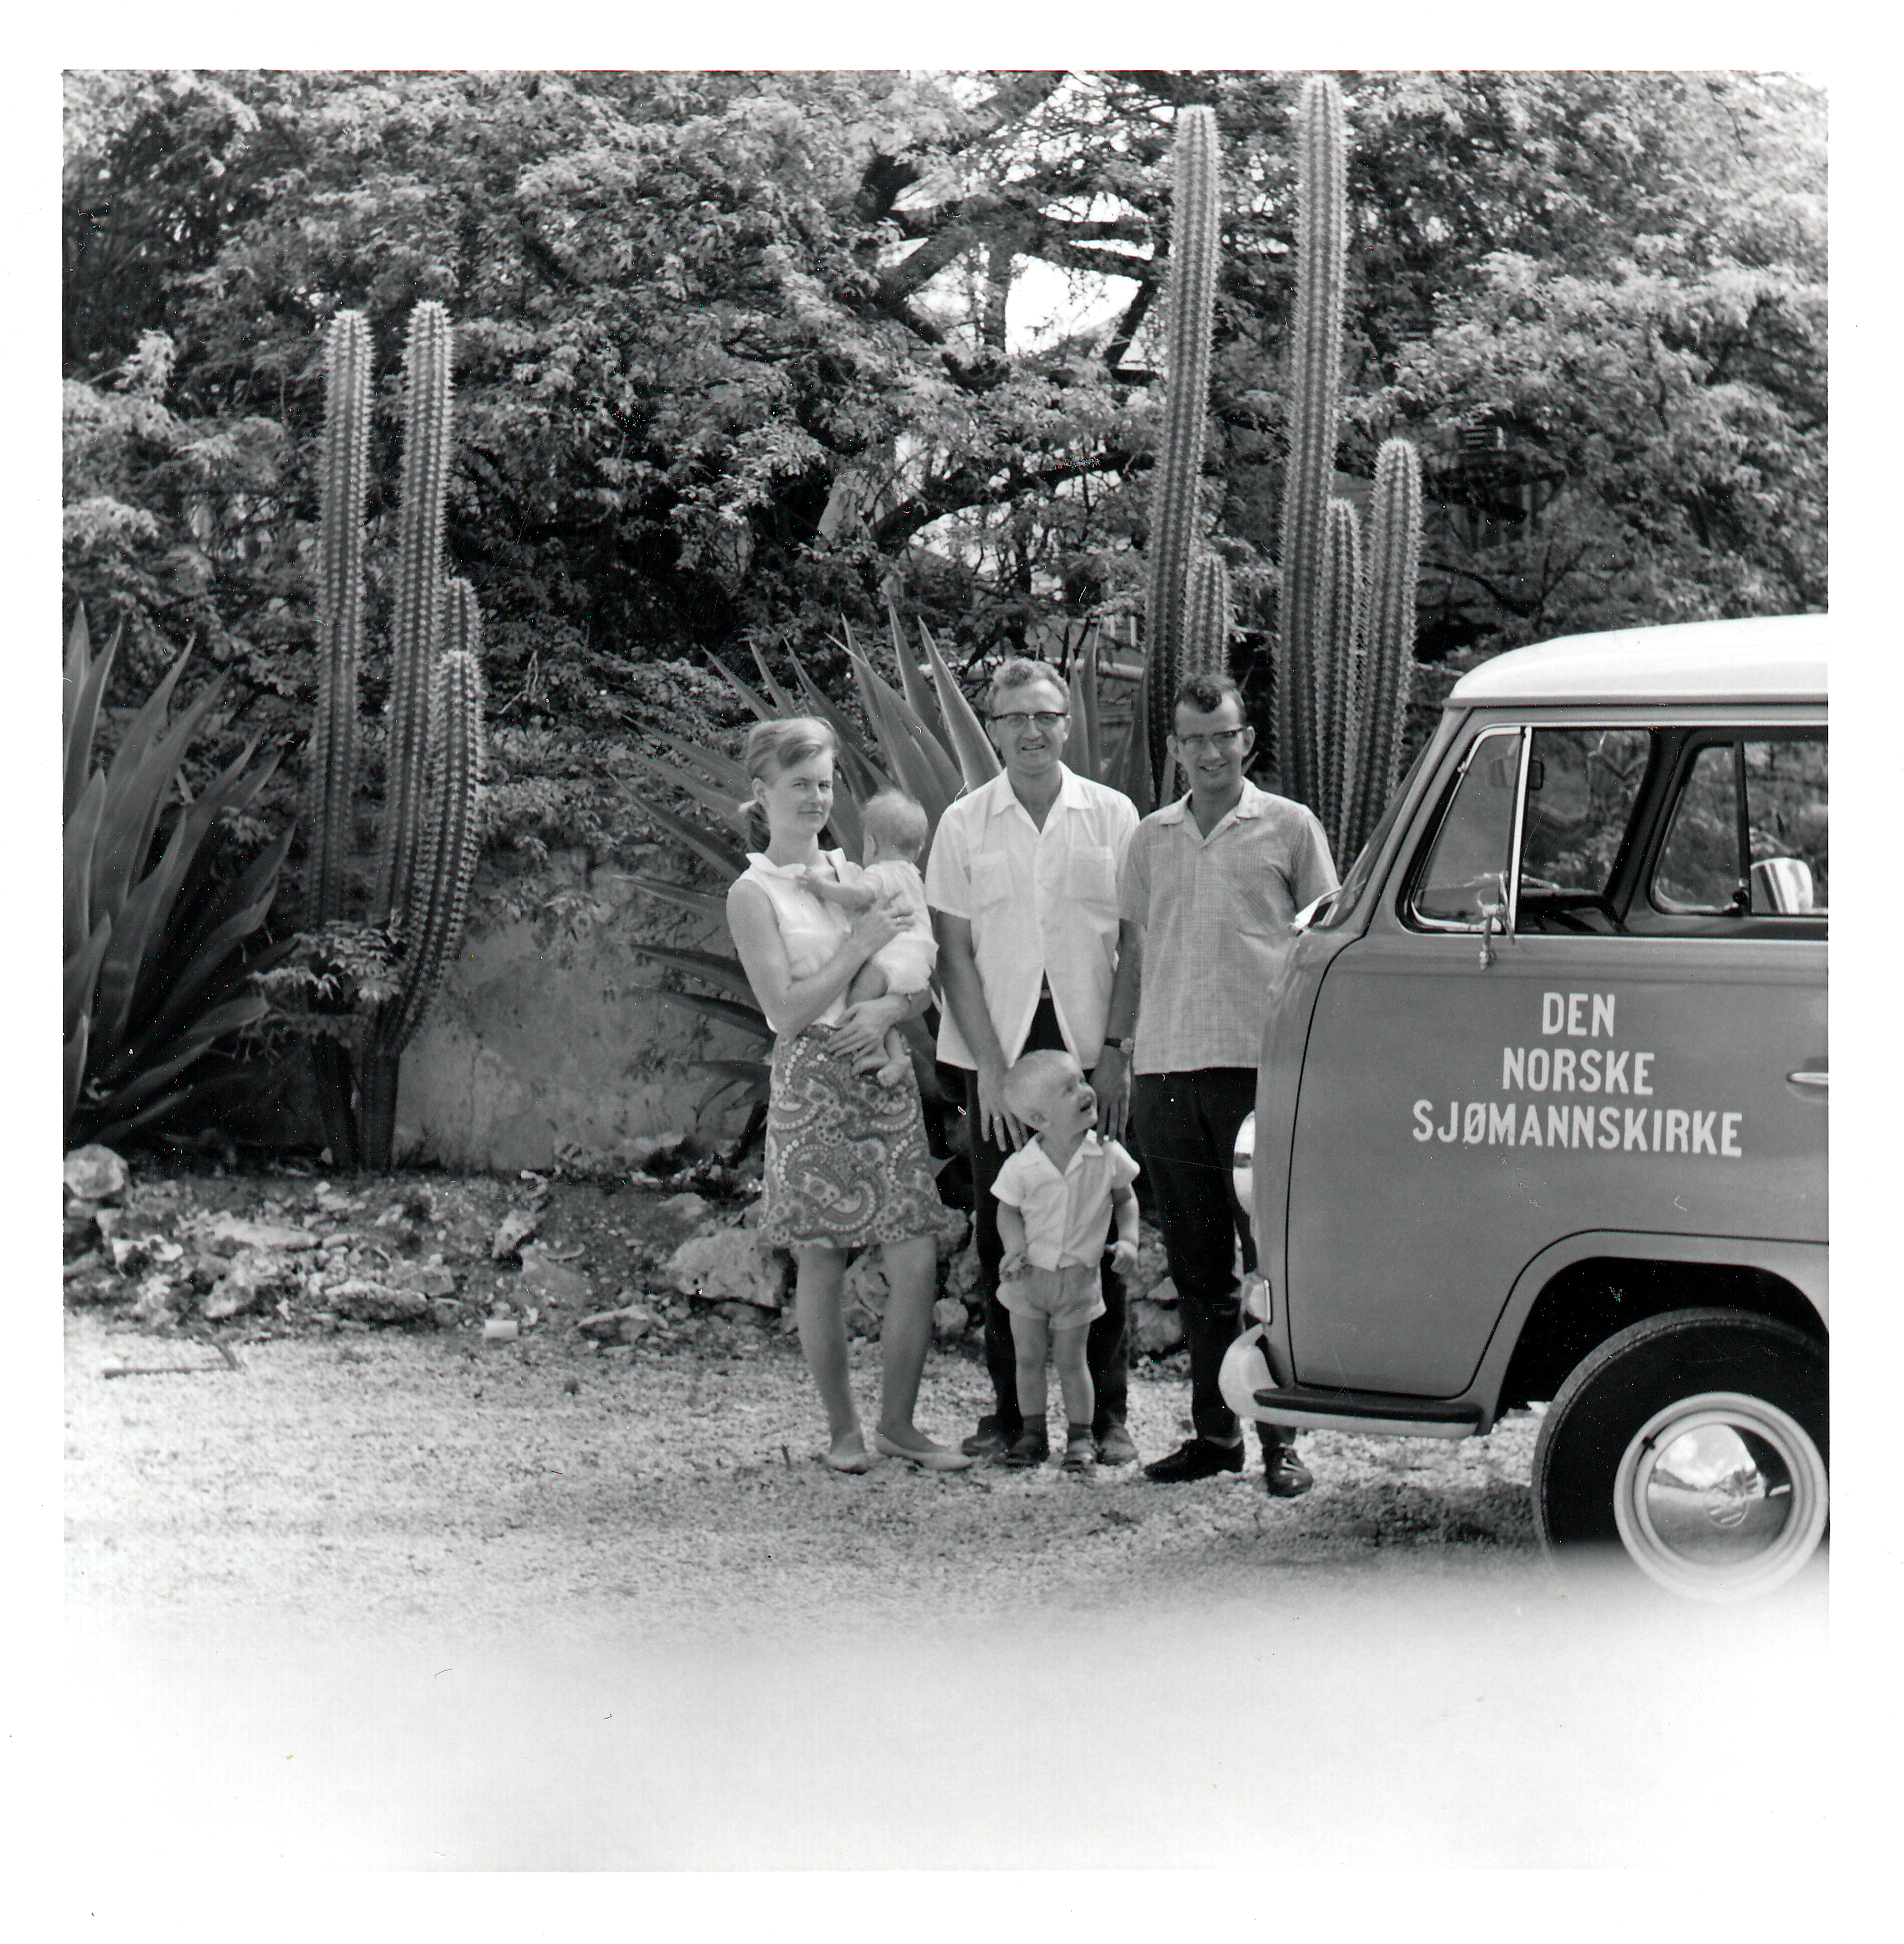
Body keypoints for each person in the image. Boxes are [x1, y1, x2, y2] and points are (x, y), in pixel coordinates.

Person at [1099, 673, 1338, 1497]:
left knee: (1264, 1265)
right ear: (1175, 747)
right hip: (1165, 1072)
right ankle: (1213, 1434)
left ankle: (1281, 1442)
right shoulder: (1150, 839)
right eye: (1192, 739)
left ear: (1247, 741)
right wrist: (1110, 1049)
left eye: (1222, 735)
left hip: (1256, 1076)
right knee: (1199, 1271)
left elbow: (1323, 948)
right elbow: (1133, 953)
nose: (1208, 752)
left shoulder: (1288, 828)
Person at [724, 717, 970, 1474]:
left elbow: (921, 977)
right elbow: (786, 1012)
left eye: (825, 784)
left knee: (916, 1257)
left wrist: (893, 1011)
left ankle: (900, 1423)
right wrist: (859, 950)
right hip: (813, 1083)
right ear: (762, 793)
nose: (815, 797)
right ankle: (844, 1433)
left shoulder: (872, 865)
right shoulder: (752, 891)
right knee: (822, 1260)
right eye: (799, 784)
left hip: (880, 1071)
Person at [925, 658, 1141, 1466]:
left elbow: (1135, 941)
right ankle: (1015, 1420)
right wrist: (986, 1068)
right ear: (992, 727)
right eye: (1013, 717)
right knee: (1000, 1232)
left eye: (1044, 715)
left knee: (1097, 1232)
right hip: (1000, 1055)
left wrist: (1117, 1052)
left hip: (1089, 1055)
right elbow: (952, 952)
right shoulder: (963, 824)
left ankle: (1108, 1416)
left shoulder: (1113, 816)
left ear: (1067, 724)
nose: (1030, 731)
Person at [992, 1050, 1141, 1474]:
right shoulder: (1023, 1165)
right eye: (1069, 1088)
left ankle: (1081, 1436)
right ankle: (1032, 1432)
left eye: (1081, 1080)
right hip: (1028, 1279)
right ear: (1041, 1119)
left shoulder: (1106, 1155)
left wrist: (1128, 1240)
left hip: (1078, 1279)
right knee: (1028, 1358)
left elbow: (1125, 1198)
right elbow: (1008, 1210)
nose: (1085, 1090)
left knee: (1074, 1361)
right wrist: (1014, 1248)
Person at [797, 788, 936, 1090]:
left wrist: (821, 888)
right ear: (919, 849)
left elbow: (858, 897)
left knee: (860, 1001)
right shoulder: (913, 874)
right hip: (919, 960)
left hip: (894, 957)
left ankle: (884, 1054)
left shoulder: (880, 872)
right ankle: (894, 1056)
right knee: (882, 1005)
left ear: (871, 843)